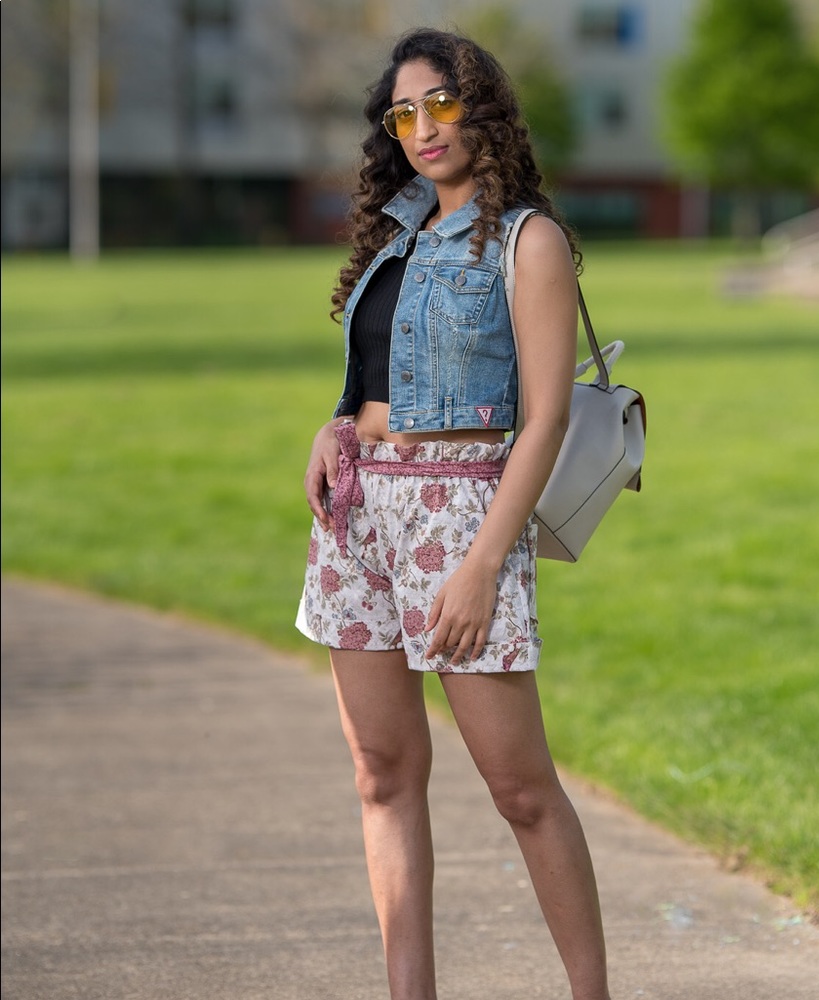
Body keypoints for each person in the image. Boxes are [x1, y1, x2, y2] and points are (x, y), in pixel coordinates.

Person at [296, 26, 611, 1000]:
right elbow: (385, 362)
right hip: (356, 517)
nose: (422, 128)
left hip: (457, 514)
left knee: (519, 787)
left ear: (483, 108)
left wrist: (481, 563)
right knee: (382, 773)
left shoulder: (528, 239)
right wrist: (338, 418)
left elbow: (548, 415)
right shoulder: (397, 230)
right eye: (404, 113)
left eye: (440, 104)